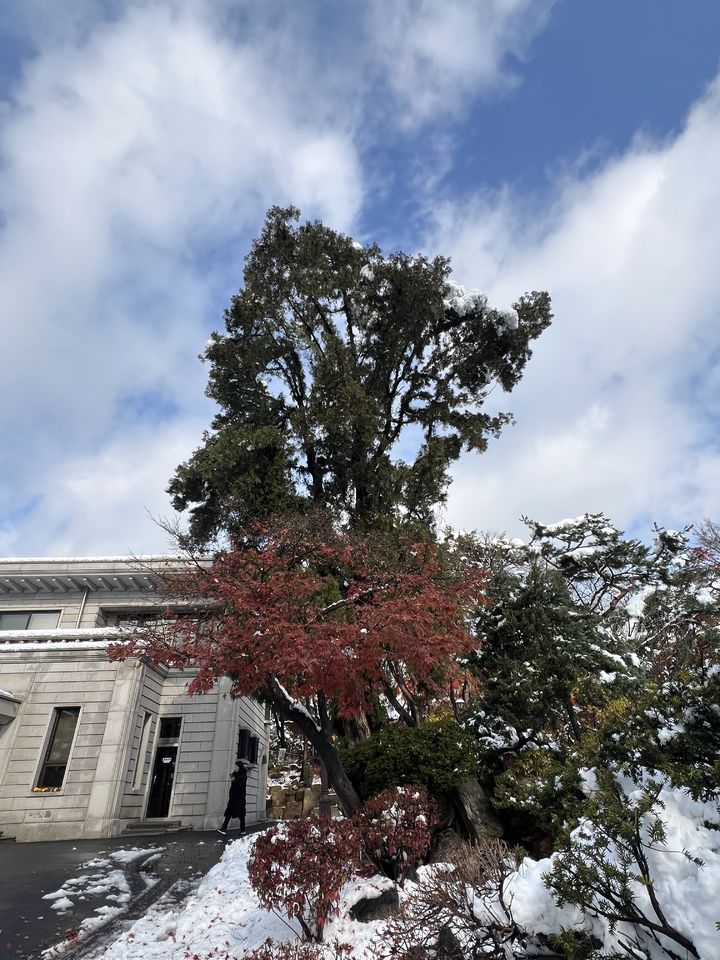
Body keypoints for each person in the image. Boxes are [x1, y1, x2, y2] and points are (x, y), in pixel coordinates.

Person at [218, 760, 248, 835]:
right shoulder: (235, 774)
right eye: (235, 766)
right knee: (228, 813)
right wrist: (233, 777)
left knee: (241, 814)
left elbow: (241, 784)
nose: (235, 768)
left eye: (236, 766)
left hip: (239, 798)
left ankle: (243, 829)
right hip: (233, 798)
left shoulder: (243, 775)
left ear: (240, 767)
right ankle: (223, 829)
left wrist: (234, 780)